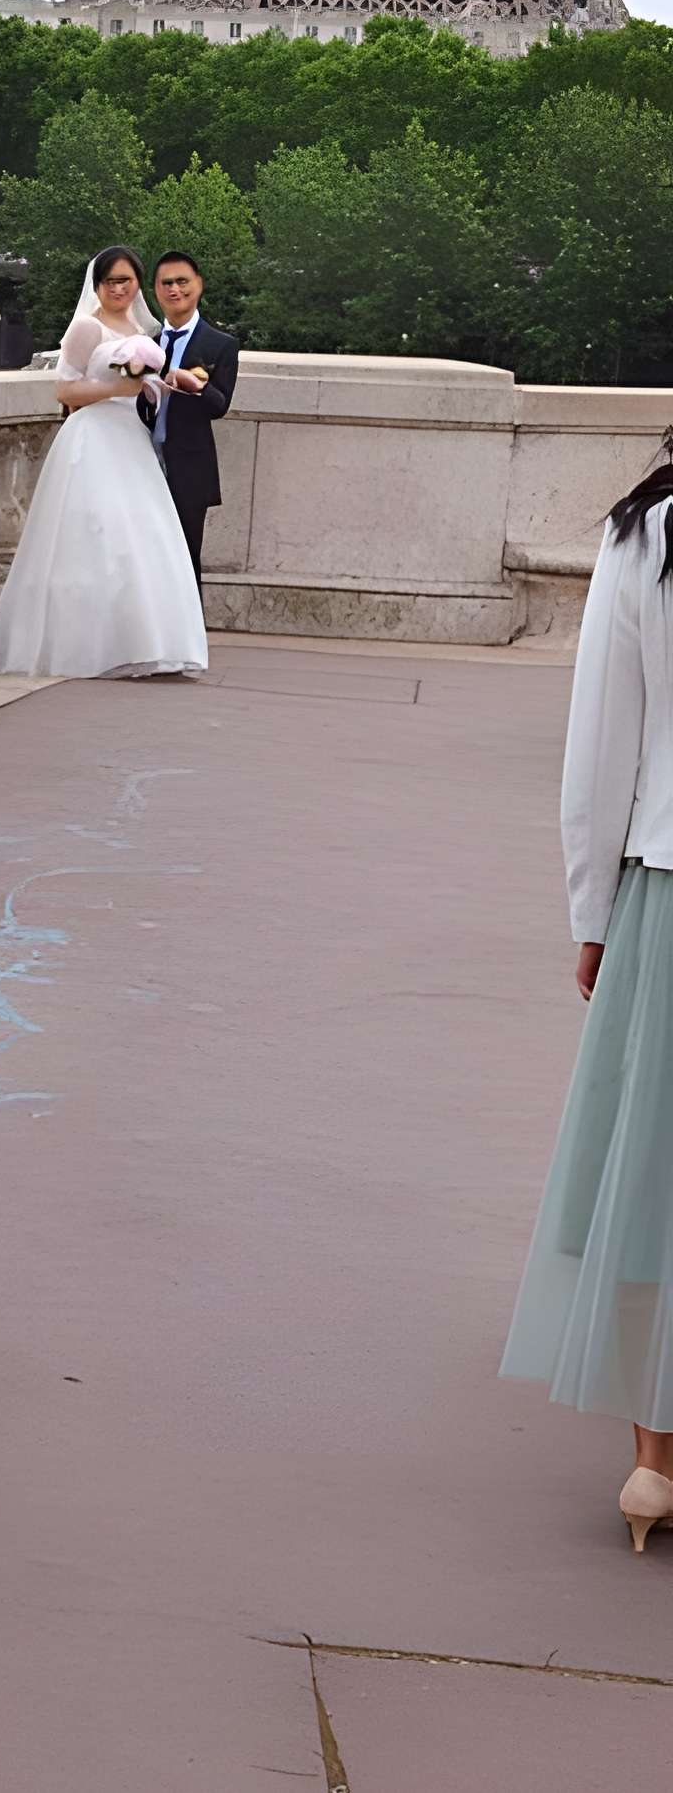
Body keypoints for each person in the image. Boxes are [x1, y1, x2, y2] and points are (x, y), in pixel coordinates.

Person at [501, 433, 673, 1547]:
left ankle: (652, 1460)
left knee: (653, 1163)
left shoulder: (646, 532)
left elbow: (599, 745)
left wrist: (588, 913)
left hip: (666, 872)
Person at [0, 246, 209, 680]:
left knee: (142, 537)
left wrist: (165, 382)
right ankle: (84, 646)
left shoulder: (148, 329)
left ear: (138, 284)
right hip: (92, 437)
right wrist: (115, 389)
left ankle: (141, 642)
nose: (118, 289)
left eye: (126, 281)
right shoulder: (87, 327)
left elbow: (150, 385)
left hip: (131, 439)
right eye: (110, 282)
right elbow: (65, 392)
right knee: (95, 533)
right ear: (98, 285)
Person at [138, 252, 240, 578]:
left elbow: (219, 406)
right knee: (141, 559)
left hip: (189, 470)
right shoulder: (143, 343)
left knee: (184, 560)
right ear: (155, 290)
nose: (175, 290)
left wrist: (194, 385)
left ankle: (190, 630)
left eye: (182, 281)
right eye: (166, 283)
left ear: (199, 284)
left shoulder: (221, 344)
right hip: (139, 464)